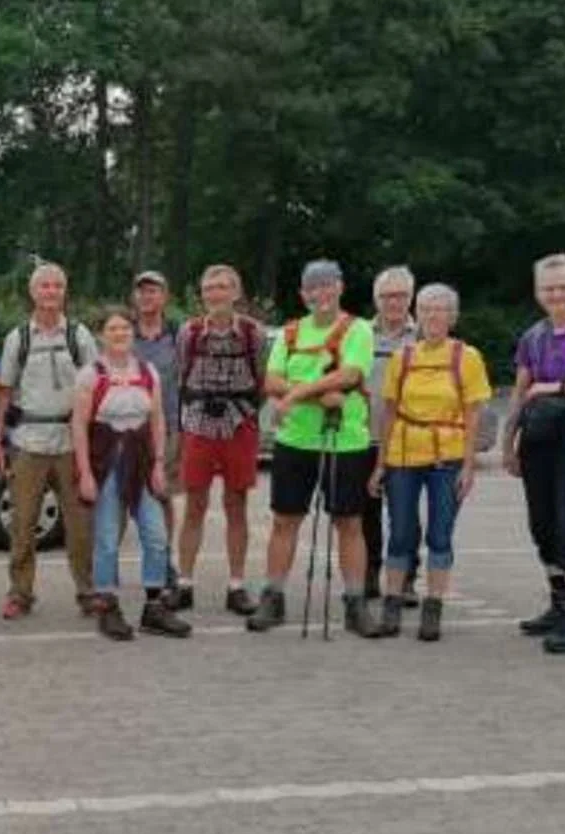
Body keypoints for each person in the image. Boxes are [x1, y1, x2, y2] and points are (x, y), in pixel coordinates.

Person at [246, 259, 379, 638]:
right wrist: (319, 398)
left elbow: (351, 375)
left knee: (349, 522)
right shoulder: (290, 333)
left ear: (339, 287)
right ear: (304, 294)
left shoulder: (358, 330)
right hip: (295, 441)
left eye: (327, 285)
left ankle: (355, 602)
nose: (321, 294)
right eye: (313, 288)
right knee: (285, 520)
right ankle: (273, 597)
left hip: (346, 442)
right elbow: (271, 379)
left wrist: (298, 393)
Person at [370, 284, 490, 642]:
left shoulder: (466, 357)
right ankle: (392, 603)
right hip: (404, 455)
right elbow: (388, 415)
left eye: (440, 310)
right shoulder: (403, 357)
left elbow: (473, 417)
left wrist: (468, 467)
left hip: (447, 457)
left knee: (440, 534)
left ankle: (433, 606)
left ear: (453, 316)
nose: (432, 316)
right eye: (425, 309)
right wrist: (381, 464)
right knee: (401, 532)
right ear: (416, 314)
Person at [71, 307, 191, 641]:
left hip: (141, 462)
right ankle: (107, 606)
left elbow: (157, 421)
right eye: (113, 328)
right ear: (102, 335)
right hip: (106, 462)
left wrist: (157, 463)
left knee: (155, 535)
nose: (120, 333)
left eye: (125, 327)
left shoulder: (147, 370)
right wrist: (84, 474)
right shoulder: (90, 375)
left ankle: (154, 608)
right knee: (107, 538)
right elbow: (79, 426)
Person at [0, 263, 97, 620]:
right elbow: (3, 392)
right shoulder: (17, 338)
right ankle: (20, 594)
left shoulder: (79, 336)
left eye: (57, 286)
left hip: (70, 442)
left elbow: (95, 389)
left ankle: (87, 591)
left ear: (65, 291)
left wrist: (93, 445)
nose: (50, 292)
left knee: (80, 526)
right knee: (23, 524)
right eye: (44, 286)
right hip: (28, 443)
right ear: (32, 292)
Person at [503, 253, 565, 654]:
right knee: (543, 525)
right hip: (538, 441)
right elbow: (520, 392)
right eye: (550, 288)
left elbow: (540, 389)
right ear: (538, 292)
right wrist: (509, 443)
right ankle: (558, 604)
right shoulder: (534, 337)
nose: (557, 294)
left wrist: (556, 388)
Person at [175, 264, 264, 616]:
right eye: (209, 288)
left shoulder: (253, 334)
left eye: (223, 287)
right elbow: (182, 374)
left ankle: (237, 585)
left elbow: (261, 379)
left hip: (240, 423)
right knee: (194, 505)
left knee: (236, 505)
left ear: (236, 293)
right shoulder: (190, 333)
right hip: (197, 422)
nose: (216, 294)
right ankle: (184, 583)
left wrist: (241, 409)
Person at [364, 266, 421, 604]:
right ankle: (369, 573)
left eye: (400, 295)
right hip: (364, 437)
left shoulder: (424, 334)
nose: (394, 302)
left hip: (407, 440)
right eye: (387, 296)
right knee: (365, 512)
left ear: (411, 297)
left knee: (404, 514)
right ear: (377, 299)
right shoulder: (359, 333)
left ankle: (407, 578)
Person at [132, 270, 183, 596]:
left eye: (154, 291)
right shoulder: (122, 333)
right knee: (124, 499)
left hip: (168, 429)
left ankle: (164, 562)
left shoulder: (180, 336)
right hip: (126, 430)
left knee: (162, 496)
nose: (148, 297)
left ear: (165, 297)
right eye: (142, 292)